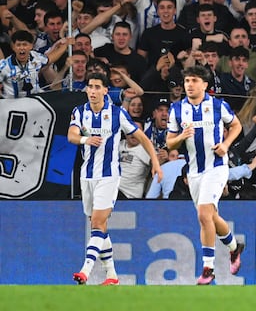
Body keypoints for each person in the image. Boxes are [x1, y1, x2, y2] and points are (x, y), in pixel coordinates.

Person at [68, 72, 163, 285]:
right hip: (87, 175)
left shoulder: (117, 113)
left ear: (105, 90)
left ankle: (86, 270)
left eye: (96, 87)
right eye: (89, 87)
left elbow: (143, 138)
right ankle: (111, 275)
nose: (92, 91)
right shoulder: (79, 112)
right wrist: (85, 139)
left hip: (109, 175)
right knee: (98, 226)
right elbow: (71, 135)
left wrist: (155, 162)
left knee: (98, 222)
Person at [166, 65, 245, 285]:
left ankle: (208, 267)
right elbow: (169, 142)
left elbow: (237, 125)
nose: (189, 85)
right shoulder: (177, 110)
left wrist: (226, 144)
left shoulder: (218, 105)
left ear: (205, 85)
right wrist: (181, 136)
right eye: (187, 81)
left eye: (194, 80)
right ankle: (234, 247)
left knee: (203, 215)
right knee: (210, 216)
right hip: (193, 172)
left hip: (217, 167)